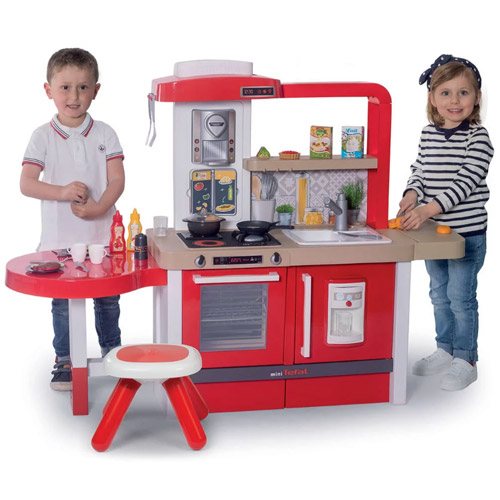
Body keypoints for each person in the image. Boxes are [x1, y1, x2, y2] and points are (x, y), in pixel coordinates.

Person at [20, 48, 125, 391]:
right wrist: (63, 191)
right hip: (60, 241)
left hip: (102, 237)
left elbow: (117, 180)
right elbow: (27, 184)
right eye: (65, 87)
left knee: (108, 299)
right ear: (48, 90)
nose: (74, 96)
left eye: (83, 87)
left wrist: (99, 208)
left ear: (96, 90)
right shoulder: (43, 136)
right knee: (63, 303)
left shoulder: (105, 133)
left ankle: (112, 351)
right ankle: (64, 359)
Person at [398, 54, 493, 391]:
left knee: (461, 298)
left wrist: (427, 210)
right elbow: (419, 170)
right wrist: (412, 194)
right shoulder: (428, 134)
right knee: (439, 294)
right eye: (446, 93)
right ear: (432, 98)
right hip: (434, 236)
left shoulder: (478, 139)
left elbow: (464, 183)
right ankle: (445, 348)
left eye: (463, 92)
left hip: (466, 235)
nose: (455, 101)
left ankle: (466, 358)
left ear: (476, 97)